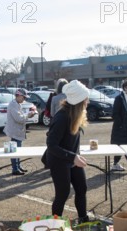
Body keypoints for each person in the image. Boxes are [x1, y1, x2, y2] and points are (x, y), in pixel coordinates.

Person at [44, 80, 89, 223]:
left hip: (71, 158)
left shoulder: (76, 114)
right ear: (79, 100)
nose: (88, 101)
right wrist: (73, 157)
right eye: (85, 98)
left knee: (82, 188)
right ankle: (55, 225)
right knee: (63, 193)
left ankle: (83, 218)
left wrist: (75, 156)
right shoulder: (61, 117)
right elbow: (51, 145)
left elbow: (71, 140)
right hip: (58, 160)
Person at [4, 88, 34, 175]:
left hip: (16, 131)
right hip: (14, 131)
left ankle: (17, 166)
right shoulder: (13, 104)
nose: (24, 99)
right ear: (18, 96)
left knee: (17, 149)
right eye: (23, 97)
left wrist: (28, 115)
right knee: (14, 150)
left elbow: (20, 117)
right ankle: (15, 168)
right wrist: (29, 115)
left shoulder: (16, 104)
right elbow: (19, 118)